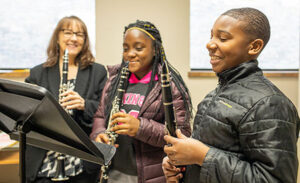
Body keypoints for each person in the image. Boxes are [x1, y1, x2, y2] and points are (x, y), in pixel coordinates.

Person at [162, 7, 300, 183]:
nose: (210, 44)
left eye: (223, 38)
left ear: (254, 46)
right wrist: (184, 167)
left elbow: (274, 179)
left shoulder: (270, 104)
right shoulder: (216, 94)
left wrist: (202, 156)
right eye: (211, 36)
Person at [90, 20, 193, 183]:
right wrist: (99, 134)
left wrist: (140, 127)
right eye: (126, 48)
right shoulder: (115, 80)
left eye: (138, 48)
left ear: (155, 49)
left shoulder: (170, 85)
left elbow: (183, 135)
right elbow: (100, 116)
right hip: (115, 172)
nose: (130, 53)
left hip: (153, 176)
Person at [25, 16, 107, 183]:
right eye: (68, 32)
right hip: (44, 161)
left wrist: (84, 104)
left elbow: (105, 110)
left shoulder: (98, 72)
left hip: (81, 162)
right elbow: (26, 113)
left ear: (85, 40)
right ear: (57, 36)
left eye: (79, 34)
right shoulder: (37, 73)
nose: (74, 38)